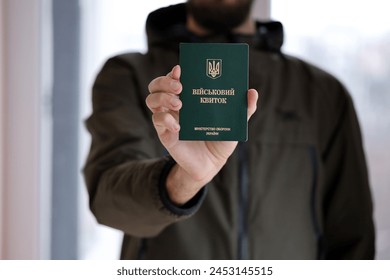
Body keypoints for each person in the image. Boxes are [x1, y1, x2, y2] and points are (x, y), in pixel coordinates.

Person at [83, 0, 375, 259]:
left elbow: (353, 233)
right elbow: (108, 203)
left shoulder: (320, 92)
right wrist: (183, 179)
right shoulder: (129, 76)